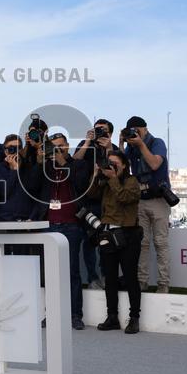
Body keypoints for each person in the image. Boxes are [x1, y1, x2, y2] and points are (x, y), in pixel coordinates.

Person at [27, 132, 91, 329]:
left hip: (71, 224)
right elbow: (31, 187)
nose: (57, 150)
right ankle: (52, 313)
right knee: (50, 274)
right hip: (49, 225)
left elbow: (81, 185)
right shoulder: (45, 165)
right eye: (53, 146)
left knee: (72, 272)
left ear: (67, 146)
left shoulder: (78, 164)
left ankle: (75, 315)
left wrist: (64, 162)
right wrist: (39, 162)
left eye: (61, 146)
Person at [86, 150, 143, 334]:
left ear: (124, 165)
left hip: (128, 234)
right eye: (108, 163)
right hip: (108, 234)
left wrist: (113, 179)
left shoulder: (132, 181)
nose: (111, 167)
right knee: (109, 278)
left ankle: (134, 318)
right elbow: (92, 194)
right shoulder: (105, 181)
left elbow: (126, 198)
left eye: (115, 164)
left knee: (130, 277)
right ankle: (112, 317)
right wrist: (96, 176)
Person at [121, 116, 172, 293]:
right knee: (141, 243)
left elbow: (155, 164)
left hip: (158, 199)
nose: (135, 134)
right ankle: (142, 281)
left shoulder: (156, 142)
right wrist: (122, 144)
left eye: (138, 130)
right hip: (140, 200)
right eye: (131, 131)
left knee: (160, 243)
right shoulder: (131, 148)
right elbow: (121, 167)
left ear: (145, 129)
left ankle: (163, 284)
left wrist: (141, 144)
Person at [71, 119, 118, 289]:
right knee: (89, 241)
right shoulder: (86, 144)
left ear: (110, 133)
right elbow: (75, 161)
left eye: (103, 130)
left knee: (106, 242)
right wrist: (88, 141)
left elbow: (118, 169)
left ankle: (106, 275)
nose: (99, 133)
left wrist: (109, 148)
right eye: (96, 129)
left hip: (107, 203)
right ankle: (92, 277)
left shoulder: (113, 149)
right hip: (87, 201)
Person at [0, 134, 32, 223]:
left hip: (26, 221)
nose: (15, 151)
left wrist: (32, 216)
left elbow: (35, 193)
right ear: (6, 151)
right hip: (4, 221)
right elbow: (4, 192)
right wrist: (14, 170)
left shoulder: (29, 167)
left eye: (18, 147)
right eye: (11, 148)